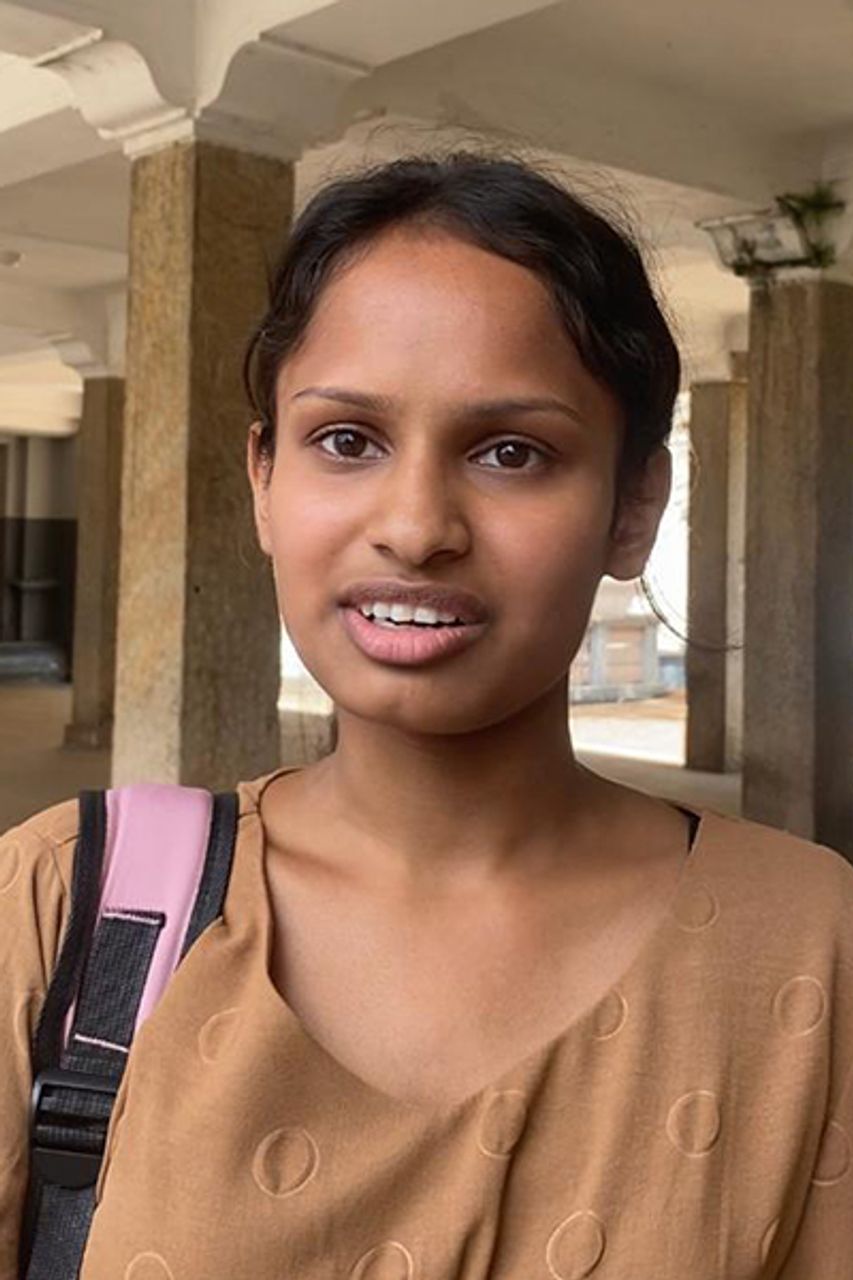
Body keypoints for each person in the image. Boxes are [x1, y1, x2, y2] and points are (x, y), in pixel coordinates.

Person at [2, 152, 852, 1279]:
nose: (414, 527)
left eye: (511, 452)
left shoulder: (808, 942)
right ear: (264, 479)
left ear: (631, 508)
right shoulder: (67, 902)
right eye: (346, 440)